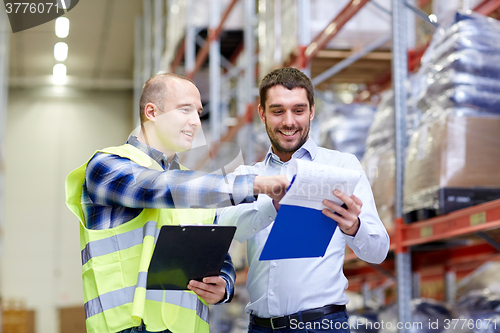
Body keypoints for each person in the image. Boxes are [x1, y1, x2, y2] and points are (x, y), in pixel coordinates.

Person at [65, 73, 289, 333]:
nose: (195, 122)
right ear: (152, 112)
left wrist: (224, 284)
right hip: (128, 328)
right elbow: (155, 187)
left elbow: (213, 249)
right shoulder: (108, 166)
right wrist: (252, 184)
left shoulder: (188, 184)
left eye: (198, 112)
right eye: (185, 110)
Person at [218, 67, 390, 333]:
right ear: (262, 113)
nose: (289, 121)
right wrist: (272, 206)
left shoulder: (342, 166)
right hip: (260, 327)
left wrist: (354, 228)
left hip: (322, 325)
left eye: (298, 110)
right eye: (277, 111)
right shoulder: (249, 176)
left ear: (311, 111)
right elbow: (225, 228)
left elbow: (378, 251)